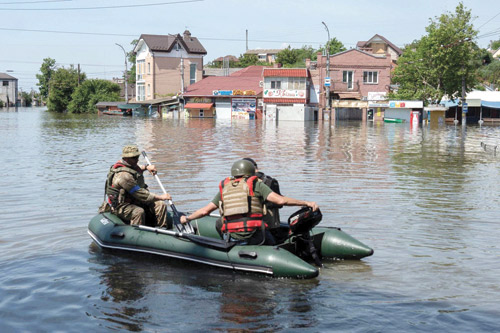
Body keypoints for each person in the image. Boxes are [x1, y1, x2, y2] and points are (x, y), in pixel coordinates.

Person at [180, 159, 319, 245]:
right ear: (251, 172)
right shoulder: (256, 184)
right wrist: (306, 203)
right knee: (275, 243)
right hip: (255, 235)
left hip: (233, 237)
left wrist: (187, 218)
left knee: (220, 223)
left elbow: (205, 211)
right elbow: (281, 200)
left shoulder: (225, 187)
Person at [99, 145, 171, 228]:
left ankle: (162, 230)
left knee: (160, 204)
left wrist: (147, 167)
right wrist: (161, 197)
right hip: (121, 206)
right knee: (138, 211)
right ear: (126, 158)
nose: (137, 159)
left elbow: (136, 169)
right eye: (134, 158)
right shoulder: (124, 176)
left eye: (137, 157)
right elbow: (140, 194)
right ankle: (137, 234)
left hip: (135, 200)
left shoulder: (130, 166)